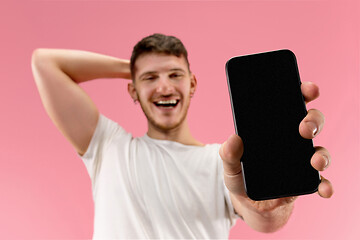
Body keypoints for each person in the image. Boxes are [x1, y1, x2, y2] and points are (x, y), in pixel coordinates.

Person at [31, 33, 333, 239]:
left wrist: (272, 203)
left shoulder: (225, 161)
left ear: (192, 84)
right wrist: (134, 68)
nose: (164, 87)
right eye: (150, 78)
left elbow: (265, 218)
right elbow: (45, 63)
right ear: (133, 90)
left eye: (175, 75)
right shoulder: (108, 146)